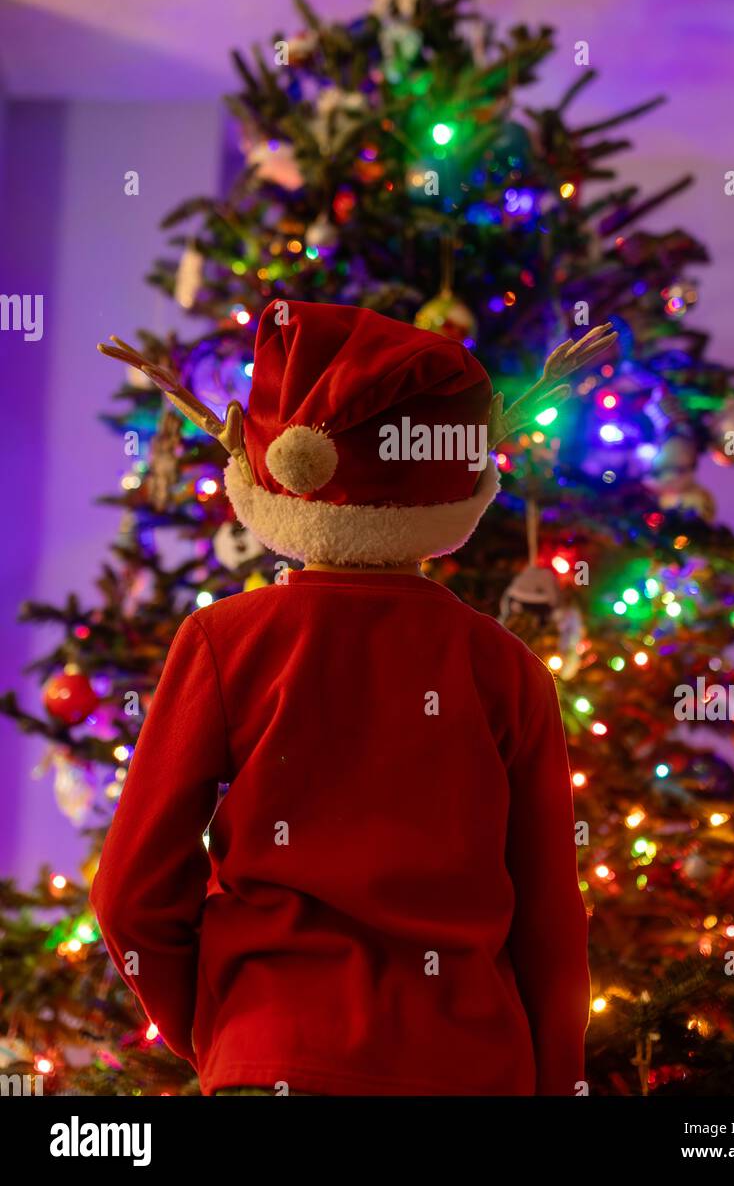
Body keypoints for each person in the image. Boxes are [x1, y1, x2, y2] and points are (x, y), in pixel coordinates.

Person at [92, 299, 613, 1095]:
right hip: (467, 1067)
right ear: (462, 483)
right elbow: (550, 923)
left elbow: (132, 893)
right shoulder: (506, 668)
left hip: (275, 1053)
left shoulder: (225, 641)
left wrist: (225, 1031)